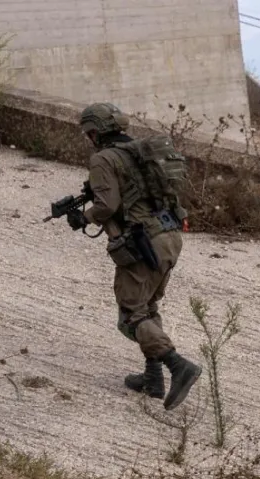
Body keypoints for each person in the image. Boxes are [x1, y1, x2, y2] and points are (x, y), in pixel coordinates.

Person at [67, 102, 202, 411]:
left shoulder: (103, 158)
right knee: (148, 305)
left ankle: (177, 365)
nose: (88, 137)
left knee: (132, 314)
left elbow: (107, 206)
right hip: (169, 237)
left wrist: (82, 218)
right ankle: (152, 378)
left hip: (143, 242)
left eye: (89, 132)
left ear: (95, 131)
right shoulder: (139, 152)